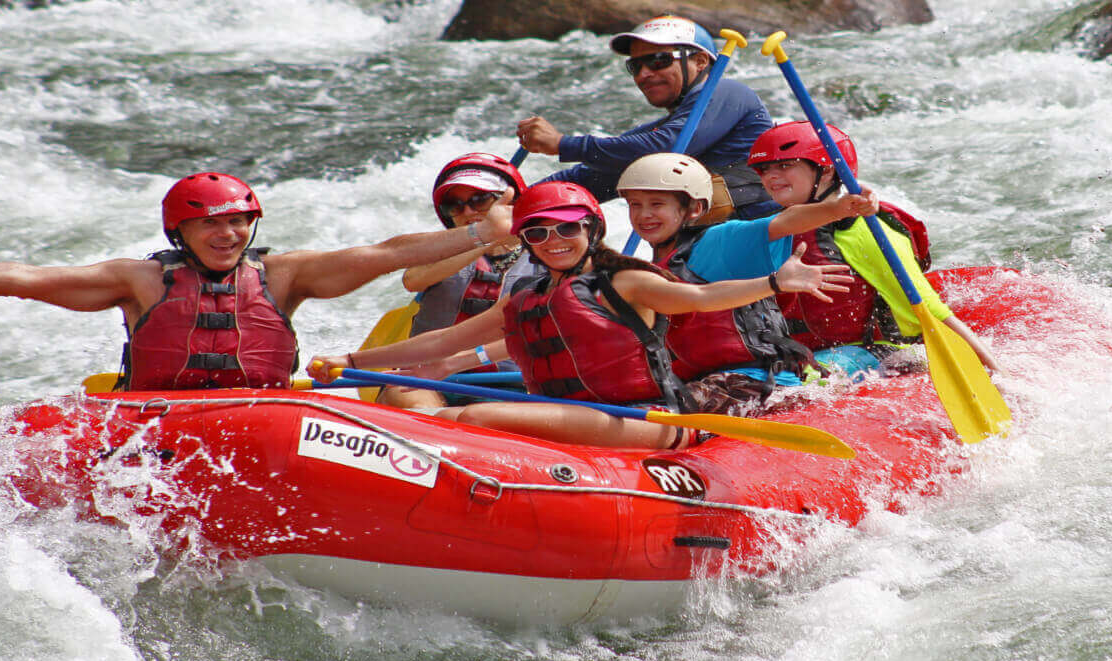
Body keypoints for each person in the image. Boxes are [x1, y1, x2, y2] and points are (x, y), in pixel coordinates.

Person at [305, 181, 853, 450]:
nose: (553, 241)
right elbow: (439, 343)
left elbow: (704, 300)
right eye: (538, 233)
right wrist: (351, 359)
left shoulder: (624, 281)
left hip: (652, 420)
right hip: (574, 411)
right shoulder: (524, 300)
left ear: (591, 230)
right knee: (425, 422)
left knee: (470, 419)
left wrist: (777, 281)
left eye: (567, 229)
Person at [0, 171, 513, 391]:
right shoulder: (139, 282)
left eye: (237, 225)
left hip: (261, 415)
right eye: (211, 228)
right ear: (182, 234)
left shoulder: (285, 275)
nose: (227, 236)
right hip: (160, 415)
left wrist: (481, 233)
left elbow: (381, 253)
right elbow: (26, 279)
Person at [685, 121, 999, 373]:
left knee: (789, 379)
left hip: (874, 353)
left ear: (827, 170)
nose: (771, 177)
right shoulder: (776, 226)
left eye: (785, 165)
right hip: (801, 352)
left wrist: (996, 374)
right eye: (765, 170)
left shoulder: (866, 230)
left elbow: (932, 311)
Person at [615, 152, 884, 410]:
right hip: (705, 382)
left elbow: (784, 221)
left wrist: (838, 208)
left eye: (657, 204)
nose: (644, 215)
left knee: (659, 410)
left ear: (695, 208)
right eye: (635, 205)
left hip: (757, 382)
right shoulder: (646, 271)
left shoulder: (718, 242)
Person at [515, 15, 777, 221]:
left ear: (699, 61)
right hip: (702, 251)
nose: (643, 75)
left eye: (659, 61)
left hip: (760, 242)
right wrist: (518, 200)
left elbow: (669, 148)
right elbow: (589, 177)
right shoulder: (660, 133)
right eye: (635, 66)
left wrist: (564, 144)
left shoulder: (728, 92)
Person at [377, 153, 538, 408]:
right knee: (408, 399)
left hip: (517, 387)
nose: (468, 211)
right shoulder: (438, 250)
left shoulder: (547, 250)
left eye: (481, 200)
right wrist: (487, 238)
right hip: (425, 381)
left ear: (512, 203)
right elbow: (413, 280)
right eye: (455, 205)